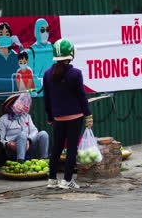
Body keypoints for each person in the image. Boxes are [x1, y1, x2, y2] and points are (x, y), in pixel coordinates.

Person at [43, 38, 93, 190]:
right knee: (71, 149)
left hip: (58, 117)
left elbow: (47, 98)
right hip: (75, 117)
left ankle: (52, 179)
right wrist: (88, 115)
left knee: (56, 148)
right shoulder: (75, 73)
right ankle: (67, 180)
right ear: (70, 55)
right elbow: (82, 97)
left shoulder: (47, 74)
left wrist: (50, 116)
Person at [0, 94, 49, 162]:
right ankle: (20, 162)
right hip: (13, 149)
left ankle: (44, 159)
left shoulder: (27, 116)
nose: (20, 106)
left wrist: (29, 140)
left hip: (28, 146)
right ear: (11, 106)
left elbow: (34, 131)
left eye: (22, 104)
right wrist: (7, 144)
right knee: (22, 134)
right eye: (18, 104)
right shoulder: (3, 120)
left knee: (43, 134)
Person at [0, 22, 21, 95]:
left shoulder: (16, 56)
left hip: (15, 95)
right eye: (1, 34)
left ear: (11, 37)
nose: (4, 37)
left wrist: (20, 45)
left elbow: (27, 64)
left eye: (7, 34)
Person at [26, 18, 55, 93]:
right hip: (39, 91)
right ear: (37, 31)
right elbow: (29, 75)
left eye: (47, 30)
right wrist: (40, 82)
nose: (45, 33)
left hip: (53, 89)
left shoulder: (53, 48)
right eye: (42, 30)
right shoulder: (31, 51)